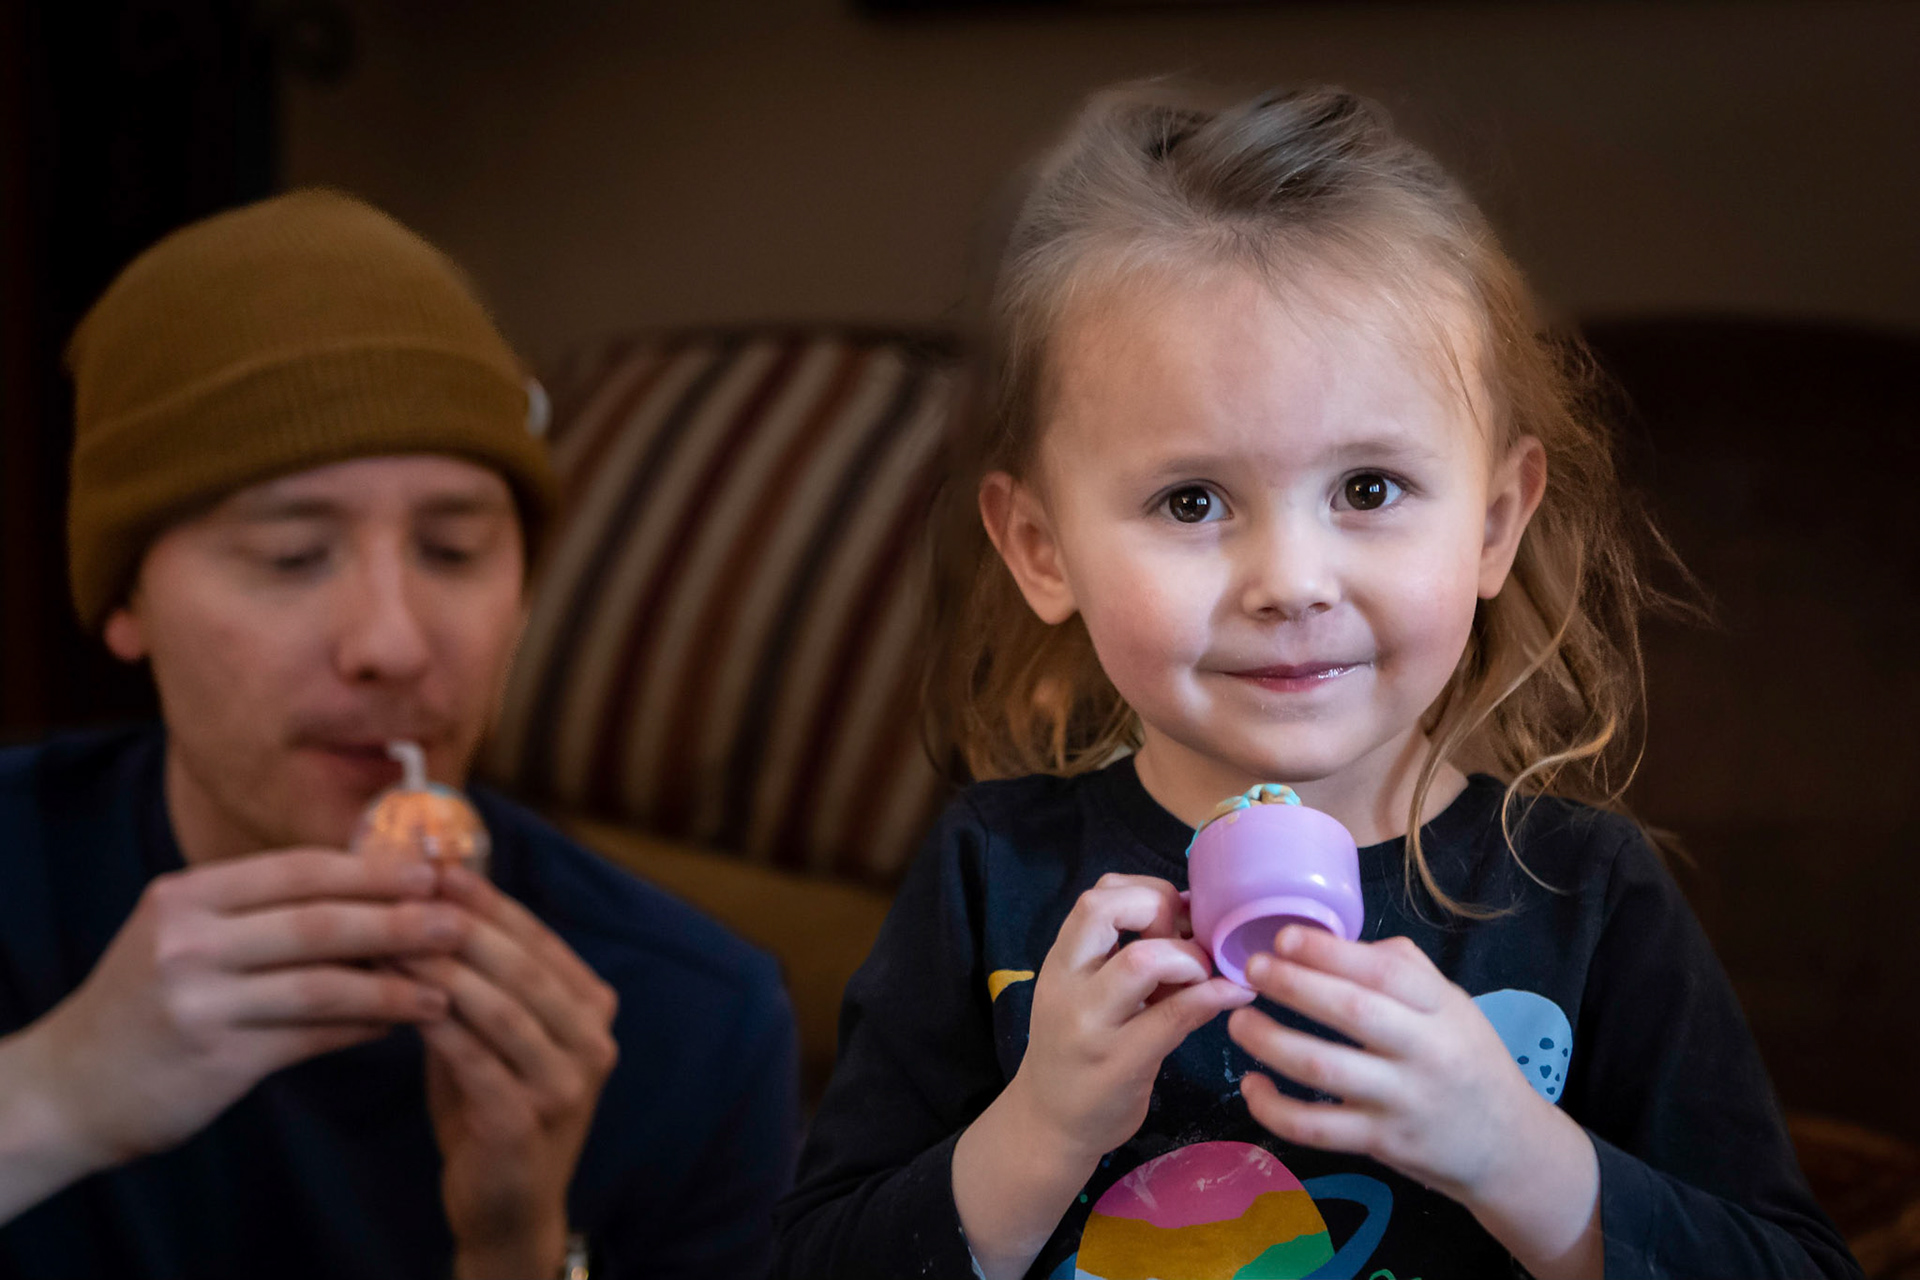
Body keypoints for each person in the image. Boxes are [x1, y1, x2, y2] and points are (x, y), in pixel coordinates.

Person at [772, 86, 1860, 1280]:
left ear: (1495, 523)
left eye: (1370, 488)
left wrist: (1518, 1154)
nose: (1290, 579)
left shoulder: (1581, 892)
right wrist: (1038, 1129)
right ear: (1042, 549)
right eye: (1191, 500)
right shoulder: (994, 875)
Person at [0, 190, 799, 1280]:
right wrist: (52, 1095)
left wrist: (516, 1251)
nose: (391, 641)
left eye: (455, 548)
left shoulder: (695, 1023)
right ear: (125, 601)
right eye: (291, 555)